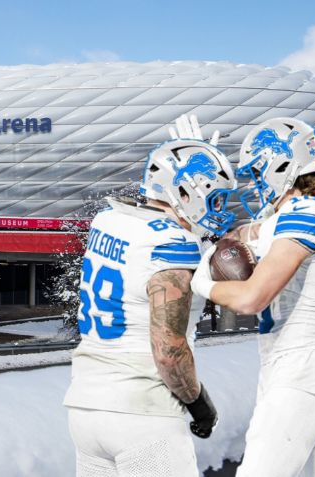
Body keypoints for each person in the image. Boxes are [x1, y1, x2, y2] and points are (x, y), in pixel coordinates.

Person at [63, 115, 237, 476]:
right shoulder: (174, 245)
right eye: (214, 197)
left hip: (85, 409)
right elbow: (168, 352)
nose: (219, 209)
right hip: (143, 414)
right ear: (184, 192)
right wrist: (198, 403)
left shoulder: (109, 220)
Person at [190, 117, 315, 477]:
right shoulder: (288, 219)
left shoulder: (310, 214)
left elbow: (251, 299)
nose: (256, 183)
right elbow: (247, 232)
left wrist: (203, 283)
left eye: (259, 172)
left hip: (302, 368)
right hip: (283, 368)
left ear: (281, 164)